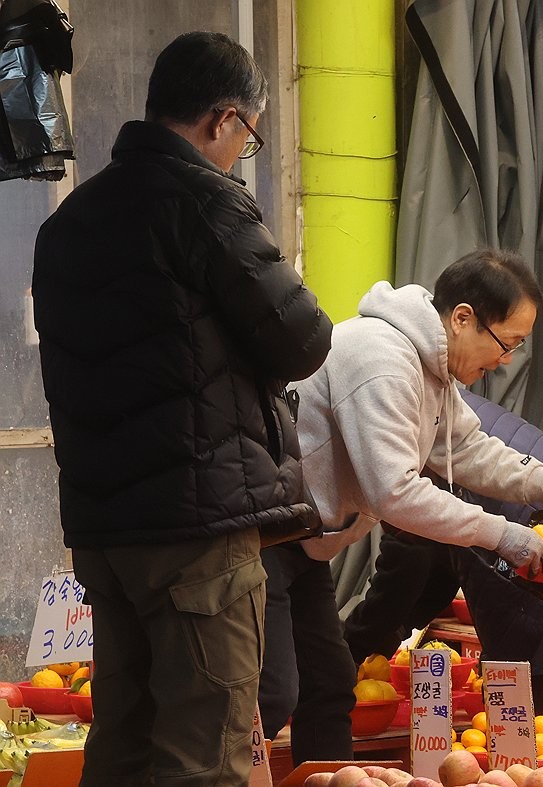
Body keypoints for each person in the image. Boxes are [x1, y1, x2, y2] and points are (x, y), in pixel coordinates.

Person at [31, 31, 332, 787]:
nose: (242, 153)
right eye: (249, 136)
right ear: (224, 119)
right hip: (196, 530)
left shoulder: (69, 222)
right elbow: (303, 338)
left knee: (123, 745)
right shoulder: (206, 203)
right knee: (206, 753)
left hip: (106, 531)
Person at [258, 249, 543, 765]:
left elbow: (467, 447)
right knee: (270, 692)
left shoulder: (431, 366)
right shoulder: (382, 360)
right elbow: (393, 492)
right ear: (462, 318)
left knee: (328, 683)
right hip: (267, 537)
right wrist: (501, 533)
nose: (506, 360)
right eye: (507, 343)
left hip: (307, 540)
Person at [341, 387, 543, 716]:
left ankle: (525, 739)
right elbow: (434, 564)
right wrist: (382, 638)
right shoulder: (418, 396)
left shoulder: (387, 432)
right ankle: (532, 736)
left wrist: (353, 647)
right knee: (532, 665)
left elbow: (407, 565)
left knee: (524, 660)